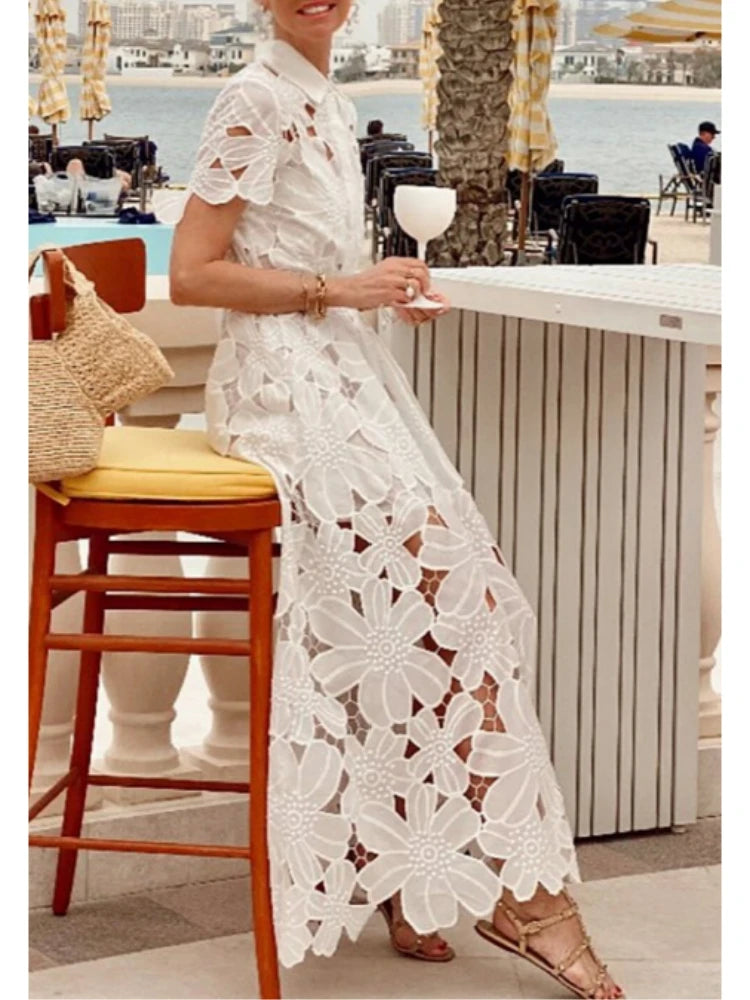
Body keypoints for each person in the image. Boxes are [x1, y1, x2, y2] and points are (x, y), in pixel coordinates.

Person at [169, 2, 625, 997]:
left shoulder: (326, 99)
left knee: (450, 602)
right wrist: (338, 292)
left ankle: (410, 864)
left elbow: (307, 259)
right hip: (282, 387)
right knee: (451, 595)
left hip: (340, 370)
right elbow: (192, 273)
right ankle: (528, 899)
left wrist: (375, 289)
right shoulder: (253, 98)